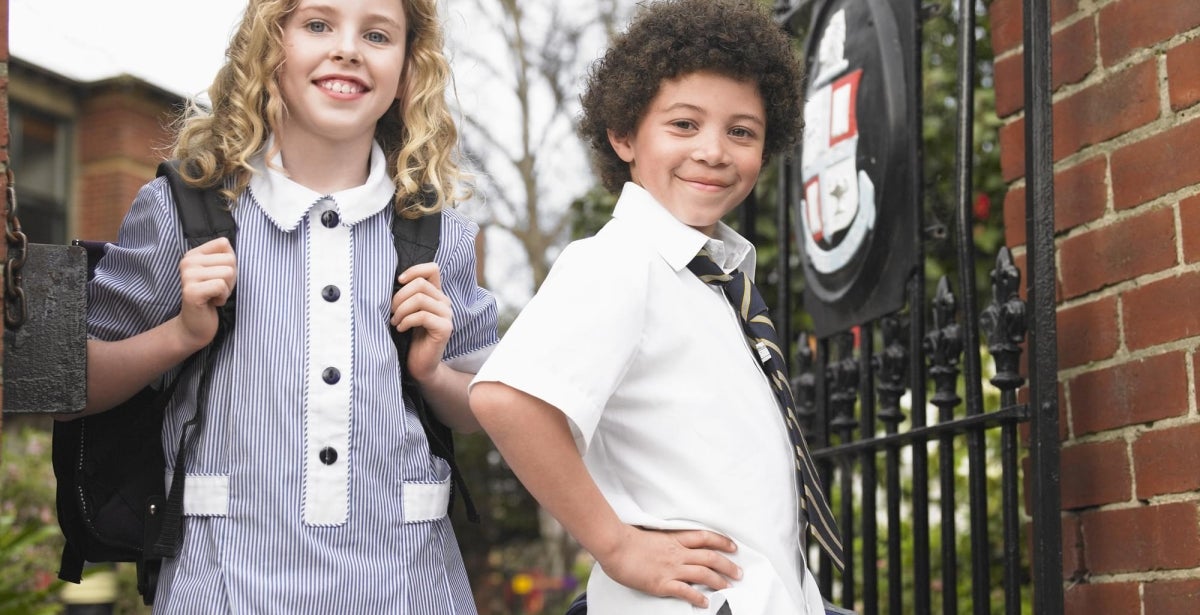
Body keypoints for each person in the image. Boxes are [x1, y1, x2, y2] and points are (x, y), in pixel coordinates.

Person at [81, 0, 496, 611]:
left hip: (409, 587)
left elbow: (480, 411)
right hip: (221, 585)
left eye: (377, 34)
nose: (348, 48)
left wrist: (432, 373)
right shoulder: (182, 211)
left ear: (409, 70)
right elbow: (77, 386)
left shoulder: (440, 235)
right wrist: (181, 334)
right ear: (269, 45)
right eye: (319, 25)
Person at [470, 1, 844, 613]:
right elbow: (507, 398)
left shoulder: (714, 281)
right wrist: (615, 545)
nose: (715, 151)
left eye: (741, 131)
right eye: (684, 125)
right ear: (623, 135)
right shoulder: (619, 261)